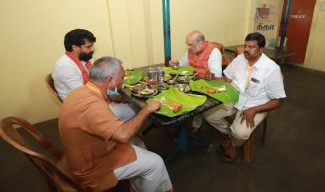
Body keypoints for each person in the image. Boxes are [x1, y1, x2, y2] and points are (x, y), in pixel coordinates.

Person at [59, 56, 173, 192]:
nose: (122, 82)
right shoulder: (91, 105)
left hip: (86, 152)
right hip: (90, 168)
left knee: (135, 139)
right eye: (122, 78)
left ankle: (136, 183)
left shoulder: (81, 91)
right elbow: (123, 135)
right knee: (156, 163)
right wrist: (147, 109)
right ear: (110, 80)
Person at [203, 32, 286, 161]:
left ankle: (235, 144)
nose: (246, 49)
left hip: (255, 105)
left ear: (261, 49)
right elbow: (227, 80)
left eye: (251, 47)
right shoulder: (239, 59)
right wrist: (213, 78)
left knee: (240, 133)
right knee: (209, 115)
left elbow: (278, 101)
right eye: (245, 45)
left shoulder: (271, 69)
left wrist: (254, 110)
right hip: (234, 98)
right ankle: (231, 135)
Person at [53, 29, 136, 121]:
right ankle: (117, 131)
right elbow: (86, 95)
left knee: (127, 100)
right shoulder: (65, 67)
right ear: (75, 47)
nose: (92, 49)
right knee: (135, 108)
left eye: (92, 46)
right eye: (88, 47)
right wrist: (117, 91)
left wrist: (118, 93)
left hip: (94, 100)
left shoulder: (86, 60)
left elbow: (101, 80)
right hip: (84, 110)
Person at [169, 30, 223, 131]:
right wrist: (176, 64)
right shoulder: (192, 49)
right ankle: (189, 122)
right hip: (193, 81)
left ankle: (192, 122)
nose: (188, 48)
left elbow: (216, 76)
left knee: (184, 96)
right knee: (173, 90)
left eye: (190, 45)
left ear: (200, 43)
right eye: (187, 45)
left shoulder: (213, 51)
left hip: (207, 85)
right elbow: (183, 63)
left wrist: (207, 75)